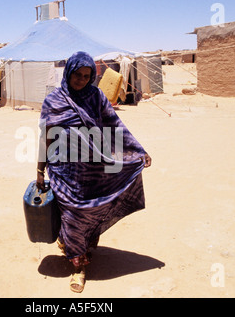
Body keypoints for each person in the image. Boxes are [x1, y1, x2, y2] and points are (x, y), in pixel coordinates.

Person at [36, 51, 151, 293]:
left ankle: (74, 244)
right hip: (64, 172)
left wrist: (137, 152)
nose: (81, 80)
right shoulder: (53, 101)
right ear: (68, 73)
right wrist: (40, 170)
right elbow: (46, 137)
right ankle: (78, 267)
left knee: (91, 213)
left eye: (87, 76)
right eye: (77, 75)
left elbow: (115, 126)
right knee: (73, 216)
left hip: (94, 171)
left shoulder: (96, 96)